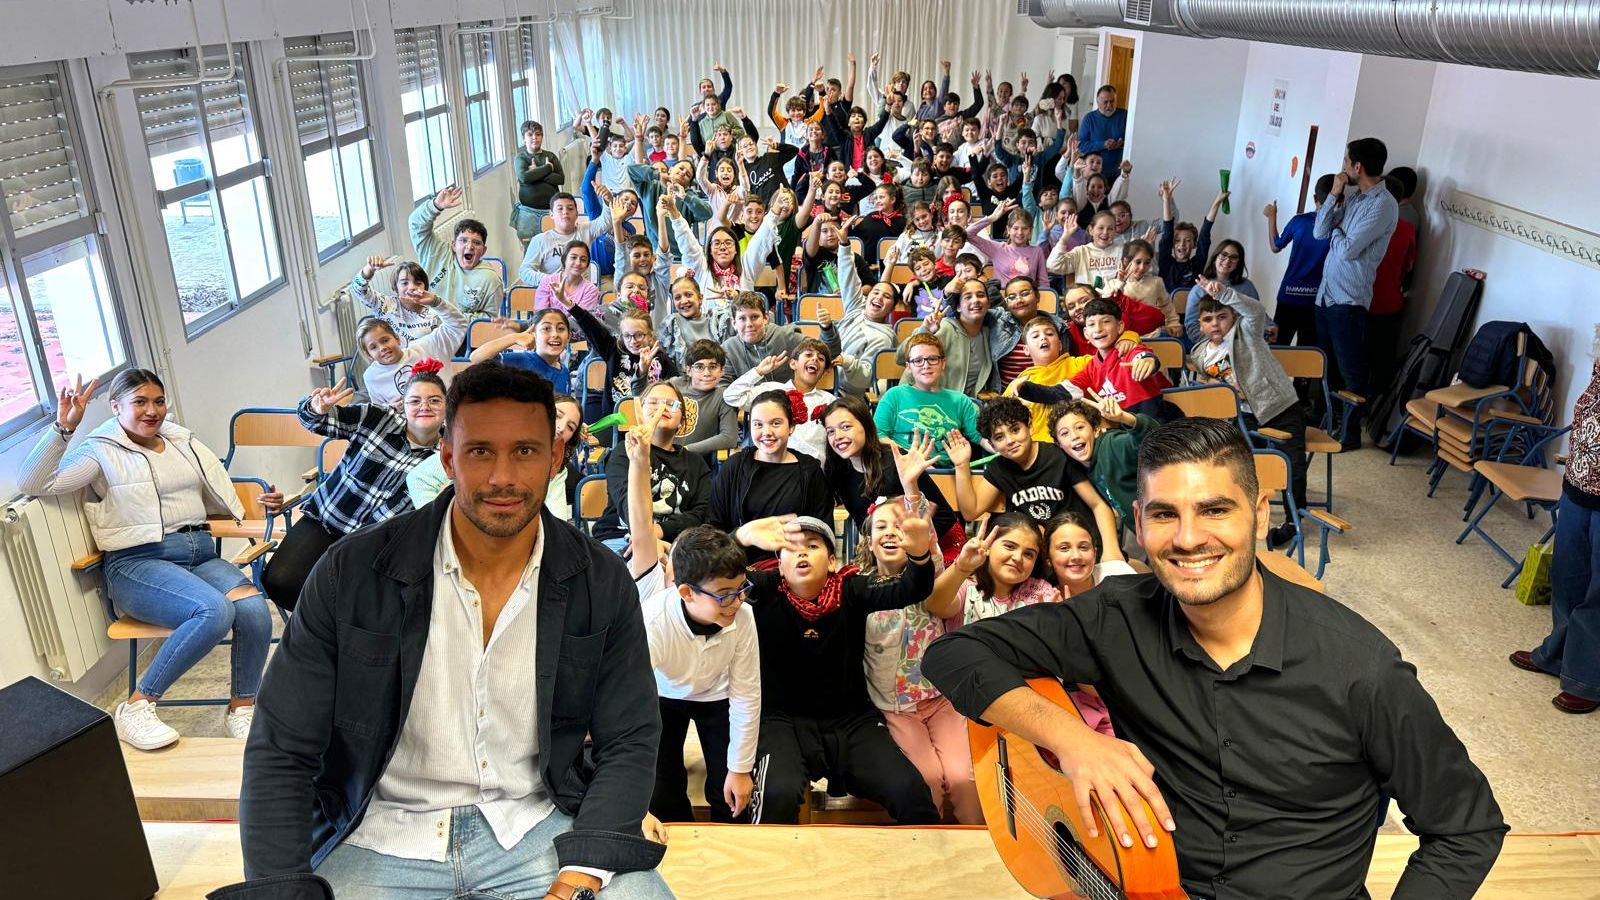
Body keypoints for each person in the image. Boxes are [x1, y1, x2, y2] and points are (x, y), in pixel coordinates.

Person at [924, 417, 1507, 898]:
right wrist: (1074, 741)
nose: (1187, 538)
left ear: (1259, 514)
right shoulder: (1116, 616)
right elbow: (954, 653)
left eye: (1214, 510)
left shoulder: (1363, 670)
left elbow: (1466, 829)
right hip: (1139, 882)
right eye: (1163, 515)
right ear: (1137, 525)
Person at [235, 362, 674, 899]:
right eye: (480, 451)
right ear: (447, 458)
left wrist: (584, 869)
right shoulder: (350, 572)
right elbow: (281, 747)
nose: (503, 478)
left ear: (557, 458)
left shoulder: (600, 580)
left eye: (526, 452)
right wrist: (280, 887)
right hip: (379, 833)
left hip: (537, 827)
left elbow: (629, 737)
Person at [19, 370, 271, 751]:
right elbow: (35, 484)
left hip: (199, 552)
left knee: (254, 609)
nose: (151, 411)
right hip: (138, 563)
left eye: (158, 401)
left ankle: (241, 708)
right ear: (116, 406)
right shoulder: (100, 449)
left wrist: (260, 505)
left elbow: (214, 488)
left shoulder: (180, 439)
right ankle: (137, 707)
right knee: (212, 611)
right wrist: (63, 429)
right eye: (140, 402)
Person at [733, 513, 942, 825]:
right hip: (782, 721)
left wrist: (920, 554)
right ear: (779, 564)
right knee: (776, 793)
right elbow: (712, 569)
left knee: (910, 790)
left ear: (832, 561)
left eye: (812, 545)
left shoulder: (853, 587)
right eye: (791, 547)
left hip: (851, 719)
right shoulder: (765, 589)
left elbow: (911, 588)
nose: (801, 552)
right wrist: (742, 536)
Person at [624, 413, 759, 822]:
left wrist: (740, 769)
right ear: (684, 591)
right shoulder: (654, 621)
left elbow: (746, 695)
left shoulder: (743, 617)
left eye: (740, 590)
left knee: (733, 798)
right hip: (662, 699)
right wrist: (639, 462)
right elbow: (629, 699)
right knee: (661, 796)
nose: (735, 602)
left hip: (717, 699)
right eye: (723, 596)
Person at [260, 367, 445, 613]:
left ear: (447, 407)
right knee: (280, 582)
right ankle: (321, 628)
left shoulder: (448, 454)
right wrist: (318, 407)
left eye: (434, 400)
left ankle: (329, 633)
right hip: (327, 520)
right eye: (415, 400)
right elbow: (318, 422)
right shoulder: (378, 418)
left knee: (359, 608)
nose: (425, 406)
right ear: (402, 404)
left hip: (377, 544)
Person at [855, 496, 979, 824]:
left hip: (940, 701)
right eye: (882, 526)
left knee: (964, 778)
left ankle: (979, 851)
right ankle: (926, 853)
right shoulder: (857, 586)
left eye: (899, 526)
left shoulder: (929, 576)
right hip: (895, 709)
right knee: (925, 779)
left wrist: (910, 490)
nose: (892, 533)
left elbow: (927, 548)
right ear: (868, 540)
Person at [1186, 284, 1308, 548]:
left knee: (1292, 466)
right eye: (1208, 319)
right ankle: (1241, 516)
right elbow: (1209, 382)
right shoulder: (1199, 353)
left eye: (1222, 317)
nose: (1216, 324)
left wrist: (1224, 294)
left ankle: (1292, 521)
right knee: (1240, 466)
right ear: (1200, 324)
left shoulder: (1246, 332)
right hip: (1244, 417)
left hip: (1279, 407)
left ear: (1233, 318)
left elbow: (1255, 311)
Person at [1512, 356, 1600, 714]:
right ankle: (1558, 655)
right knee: (1569, 578)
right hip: (1581, 480)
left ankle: (1587, 679)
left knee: (1598, 593)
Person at [945, 397, 1122, 557]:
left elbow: (1098, 505)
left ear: (1030, 426)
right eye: (999, 437)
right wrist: (961, 465)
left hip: (1083, 545)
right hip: (1045, 553)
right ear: (991, 444)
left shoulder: (1058, 457)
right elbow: (971, 511)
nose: (1010, 440)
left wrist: (1111, 551)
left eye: (1015, 430)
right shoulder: (999, 468)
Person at [1314, 137, 1400, 449]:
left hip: (1348, 299)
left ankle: (1350, 433)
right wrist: (1335, 194)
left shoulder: (1383, 205)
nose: (1343, 168)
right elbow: (1319, 231)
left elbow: (1349, 249)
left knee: (1351, 370)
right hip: (1326, 296)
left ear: (1357, 167)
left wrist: (1337, 230)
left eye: (1346, 163)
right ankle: (1328, 421)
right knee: (1327, 365)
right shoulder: (1353, 197)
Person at [820, 396, 964, 560]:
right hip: (890, 551)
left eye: (845, 427)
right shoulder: (838, 471)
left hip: (940, 545)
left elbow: (943, 518)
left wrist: (906, 549)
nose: (837, 436)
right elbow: (865, 527)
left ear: (866, 426)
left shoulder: (897, 462)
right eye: (830, 431)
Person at [406, 393, 585, 523]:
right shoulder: (490, 440)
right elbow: (418, 478)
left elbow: (556, 519)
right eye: (558, 416)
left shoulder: (555, 470)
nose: (561, 428)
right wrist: (443, 521)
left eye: (570, 427)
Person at [708, 389, 832, 564]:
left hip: (793, 568)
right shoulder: (734, 467)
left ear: (791, 427)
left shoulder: (809, 470)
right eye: (758, 425)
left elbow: (822, 533)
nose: (766, 432)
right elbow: (713, 529)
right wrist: (741, 536)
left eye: (775, 423)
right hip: (739, 568)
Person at [593, 381, 712, 556]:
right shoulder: (624, 451)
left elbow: (701, 514)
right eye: (653, 402)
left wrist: (658, 530)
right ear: (640, 412)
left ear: (682, 420)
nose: (662, 407)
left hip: (677, 543)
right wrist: (645, 537)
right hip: (620, 535)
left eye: (671, 404)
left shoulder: (695, 463)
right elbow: (625, 501)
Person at [1050, 394, 1159, 526]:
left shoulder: (1111, 444)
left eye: (1080, 427)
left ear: (1096, 430)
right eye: (1065, 433)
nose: (1074, 436)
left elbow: (1155, 438)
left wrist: (1124, 418)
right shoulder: (1077, 467)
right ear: (1059, 444)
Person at [876, 332, 984, 464]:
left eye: (932, 359)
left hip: (947, 473)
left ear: (942, 363)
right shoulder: (894, 395)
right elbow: (878, 436)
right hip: (903, 467)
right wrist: (912, 460)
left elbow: (981, 438)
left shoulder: (960, 401)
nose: (926, 366)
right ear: (909, 367)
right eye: (918, 361)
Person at [723, 338, 838, 461]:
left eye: (821, 359)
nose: (815, 359)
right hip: (772, 464)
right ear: (793, 364)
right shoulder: (771, 390)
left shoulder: (830, 401)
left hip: (812, 470)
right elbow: (732, 396)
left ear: (824, 372)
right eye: (809, 355)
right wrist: (759, 371)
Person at [409, 186, 504, 319]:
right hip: (425, 328)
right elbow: (415, 224)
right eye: (463, 240)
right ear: (453, 245)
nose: (469, 246)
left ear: (483, 250)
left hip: (462, 335)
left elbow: (488, 320)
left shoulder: (490, 280)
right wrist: (435, 206)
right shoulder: (437, 254)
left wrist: (452, 319)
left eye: (476, 243)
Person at [1263, 174, 1336, 347]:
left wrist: (1272, 216)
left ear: (1314, 198)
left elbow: (1275, 246)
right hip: (1315, 299)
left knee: (1277, 346)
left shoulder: (1299, 221)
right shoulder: (1338, 227)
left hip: (1289, 294)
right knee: (1308, 352)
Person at [355, 307, 467, 410]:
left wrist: (436, 302)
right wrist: (390, 408)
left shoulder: (425, 347)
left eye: (385, 340)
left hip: (448, 412)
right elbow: (378, 410)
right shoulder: (371, 376)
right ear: (369, 355)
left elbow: (458, 325)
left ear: (397, 339)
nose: (382, 348)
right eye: (373, 347)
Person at [1368, 175, 1418, 397]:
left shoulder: (1368, 222)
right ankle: (1373, 407)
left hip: (1363, 300)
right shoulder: (1408, 229)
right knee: (1381, 358)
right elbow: (1408, 267)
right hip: (1391, 303)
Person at [469, 309, 577, 397]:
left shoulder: (565, 373)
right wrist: (514, 337)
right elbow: (476, 358)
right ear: (533, 334)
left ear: (568, 337)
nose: (555, 334)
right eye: (546, 328)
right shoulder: (520, 360)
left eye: (561, 329)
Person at [517, 192, 612, 289]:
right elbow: (524, 271)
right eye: (560, 208)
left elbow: (606, 222)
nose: (565, 212)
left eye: (570, 208)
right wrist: (551, 280)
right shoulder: (540, 240)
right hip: (553, 294)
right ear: (552, 214)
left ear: (576, 214)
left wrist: (607, 200)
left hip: (581, 294)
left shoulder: (585, 230)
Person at [667, 340, 740, 462]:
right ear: (689, 370)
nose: (707, 373)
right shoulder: (675, 385)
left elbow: (729, 437)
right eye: (699, 367)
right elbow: (644, 400)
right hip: (659, 453)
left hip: (691, 461)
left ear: (722, 371)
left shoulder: (723, 396)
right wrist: (642, 373)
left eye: (713, 367)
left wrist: (684, 450)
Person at [351, 257, 442, 345]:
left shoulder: (434, 317)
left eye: (418, 283)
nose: (412, 287)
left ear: (425, 287)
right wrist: (369, 269)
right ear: (396, 287)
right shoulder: (384, 305)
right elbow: (358, 290)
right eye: (405, 283)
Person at [1156, 180, 1224, 293]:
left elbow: (1204, 235)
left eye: (1187, 240)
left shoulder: (1196, 265)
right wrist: (1166, 200)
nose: (1182, 244)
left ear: (1194, 244)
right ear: (1173, 244)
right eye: (1177, 240)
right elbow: (1167, 232)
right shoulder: (1166, 263)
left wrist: (1217, 202)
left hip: (1189, 309)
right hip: (1166, 309)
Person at [513, 121, 564, 252]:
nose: (534, 138)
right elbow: (524, 177)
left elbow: (560, 179)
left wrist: (536, 172)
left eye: (538, 134)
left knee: (553, 248)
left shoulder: (550, 156)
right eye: (530, 135)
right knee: (531, 250)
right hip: (528, 213)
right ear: (524, 138)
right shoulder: (521, 158)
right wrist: (547, 168)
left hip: (550, 211)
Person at [1076, 85, 1127, 176]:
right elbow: (1081, 145)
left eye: (1112, 101)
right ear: (1098, 102)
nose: (1109, 105)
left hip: (1119, 172)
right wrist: (1103, 144)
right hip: (1095, 174)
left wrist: (1122, 143)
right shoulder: (1089, 118)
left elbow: (1135, 140)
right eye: (1105, 102)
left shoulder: (1124, 115)